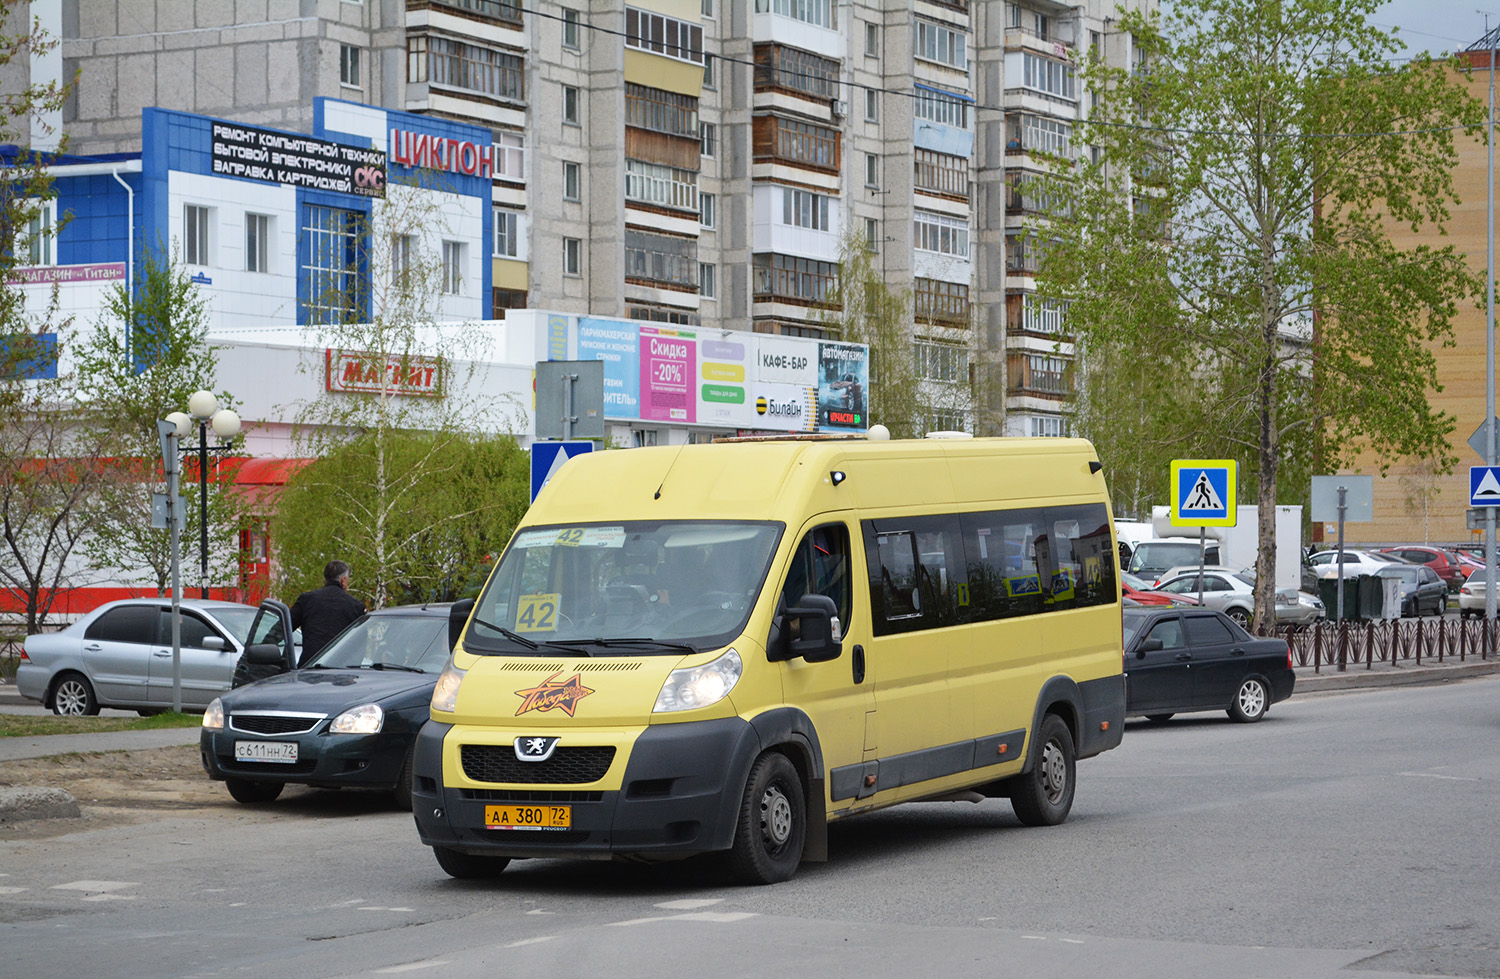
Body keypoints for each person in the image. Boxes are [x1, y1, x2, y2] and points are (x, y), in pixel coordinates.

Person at [291, 560, 366, 665]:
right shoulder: (356, 606)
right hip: (342, 671)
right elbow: (361, 645)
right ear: (343, 580)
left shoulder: (307, 600)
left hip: (309, 668)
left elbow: (282, 628)